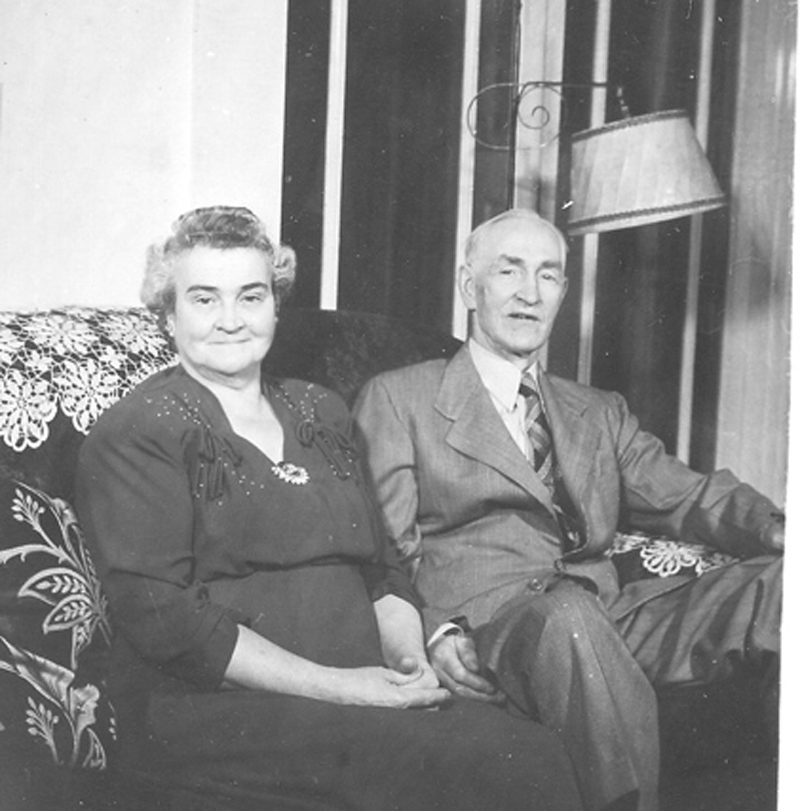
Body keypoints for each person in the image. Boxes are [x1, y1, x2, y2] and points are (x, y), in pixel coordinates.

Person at [74, 206, 582, 811]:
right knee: (475, 764)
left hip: (360, 693)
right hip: (217, 712)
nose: (231, 320)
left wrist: (407, 663)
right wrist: (347, 690)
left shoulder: (321, 411)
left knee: (528, 751)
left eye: (251, 296)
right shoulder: (139, 431)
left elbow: (383, 570)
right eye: (204, 299)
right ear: (168, 314)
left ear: (275, 306)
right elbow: (168, 621)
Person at [354, 208, 784, 811]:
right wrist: (434, 632)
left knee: (785, 583)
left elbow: (686, 495)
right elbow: (383, 554)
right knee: (568, 617)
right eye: (510, 271)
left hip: (611, 617)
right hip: (498, 629)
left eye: (549, 275)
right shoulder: (401, 398)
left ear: (562, 293)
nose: (530, 293)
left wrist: (779, 528)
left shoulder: (599, 411)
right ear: (469, 287)